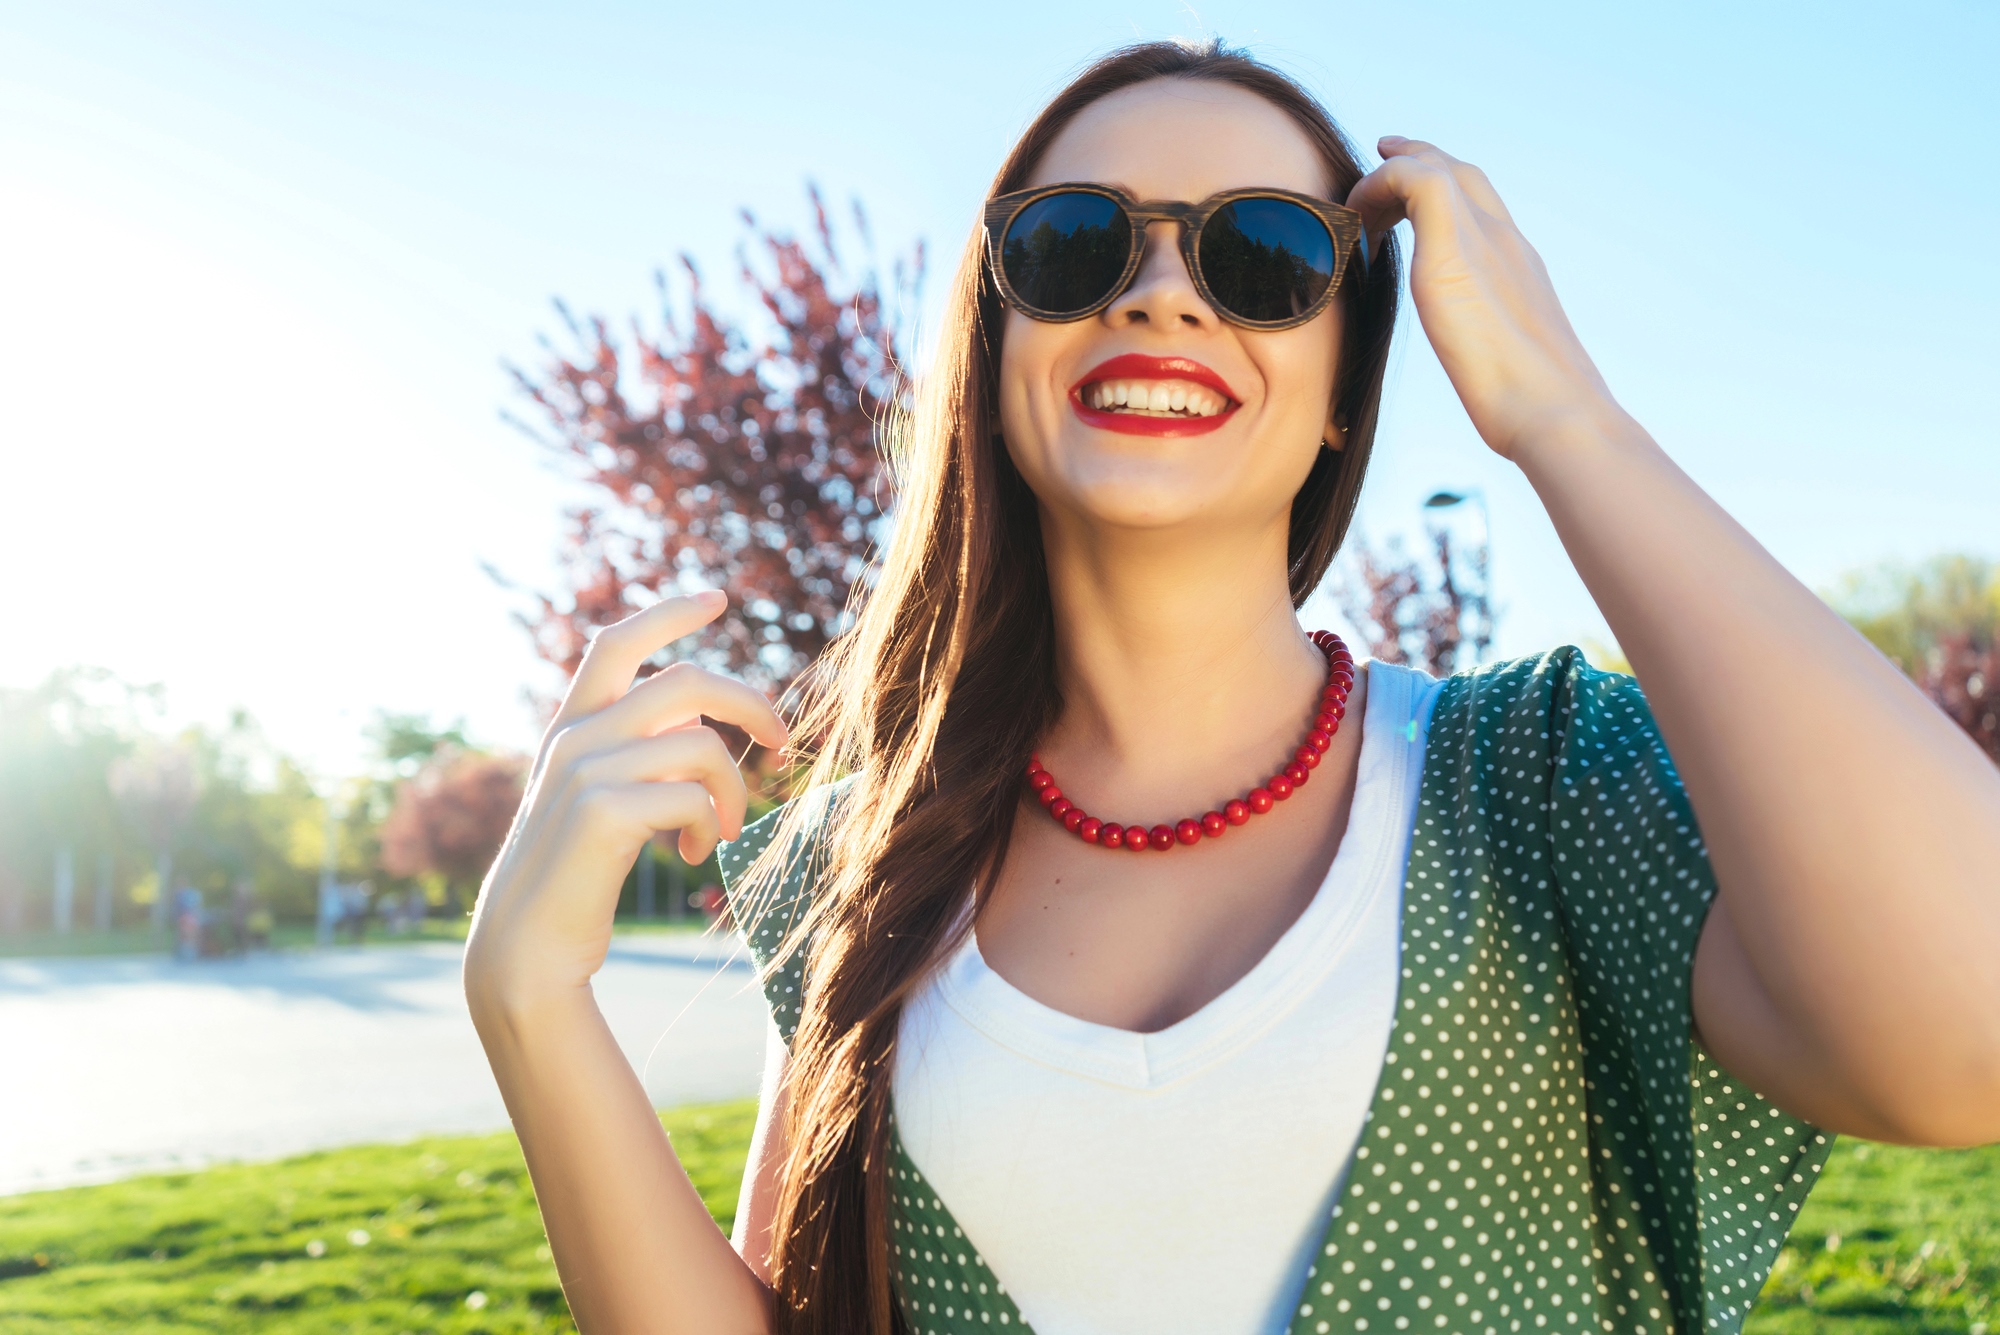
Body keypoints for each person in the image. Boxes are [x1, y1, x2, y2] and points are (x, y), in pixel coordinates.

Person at [462, 40, 2000, 1335]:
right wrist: (528, 999)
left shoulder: (1542, 786)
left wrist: (1563, 416)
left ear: (1349, 390)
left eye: (1262, 255)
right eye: (1076, 243)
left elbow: (1968, 1040)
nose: (1157, 293)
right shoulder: (866, 865)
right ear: (997, 348)